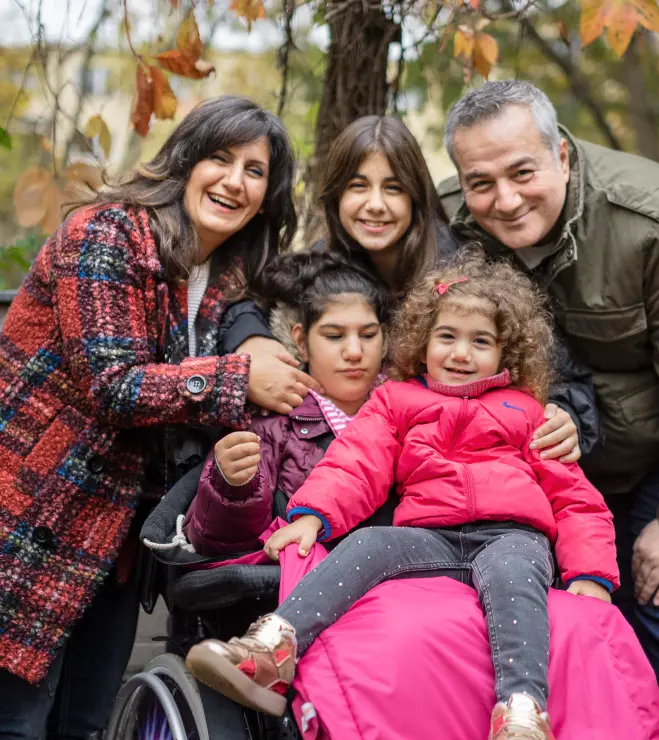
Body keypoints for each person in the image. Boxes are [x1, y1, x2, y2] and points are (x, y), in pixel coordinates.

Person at [185, 249, 620, 740]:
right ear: (421, 341)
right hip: (431, 535)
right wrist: (311, 516)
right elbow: (356, 462)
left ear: (506, 353)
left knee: (513, 577)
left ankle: (521, 711)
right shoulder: (397, 400)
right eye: (447, 337)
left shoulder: (528, 412)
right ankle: (271, 649)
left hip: (511, 535)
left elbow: (576, 499)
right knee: (369, 545)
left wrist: (591, 574)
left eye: (481, 341)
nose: (461, 353)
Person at [0, 96, 320, 739]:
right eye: (219, 158)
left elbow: (249, 314)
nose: (234, 180)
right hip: (38, 516)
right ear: (183, 160)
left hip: (119, 537)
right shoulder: (106, 232)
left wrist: (255, 339)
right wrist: (240, 377)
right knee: (17, 724)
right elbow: (112, 385)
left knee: (85, 723)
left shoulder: (225, 267)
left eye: (254, 171)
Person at [438, 80, 659, 740]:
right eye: (481, 182)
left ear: (563, 154)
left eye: (523, 171)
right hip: (558, 470)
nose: (506, 200)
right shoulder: (454, 223)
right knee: (580, 635)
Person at [223, 114, 596, 464]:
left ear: (415, 196)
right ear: (336, 196)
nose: (375, 205)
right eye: (358, 186)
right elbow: (248, 305)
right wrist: (252, 343)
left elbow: (558, 368)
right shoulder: (326, 262)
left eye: (393, 188)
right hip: (350, 459)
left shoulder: (464, 272)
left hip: (456, 465)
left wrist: (566, 415)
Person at [182, 250, 391, 556]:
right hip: (298, 586)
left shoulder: (411, 410)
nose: (354, 351)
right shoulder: (272, 423)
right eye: (334, 336)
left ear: (386, 340)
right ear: (302, 343)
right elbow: (214, 541)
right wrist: (231, 485)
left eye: (368, 335)